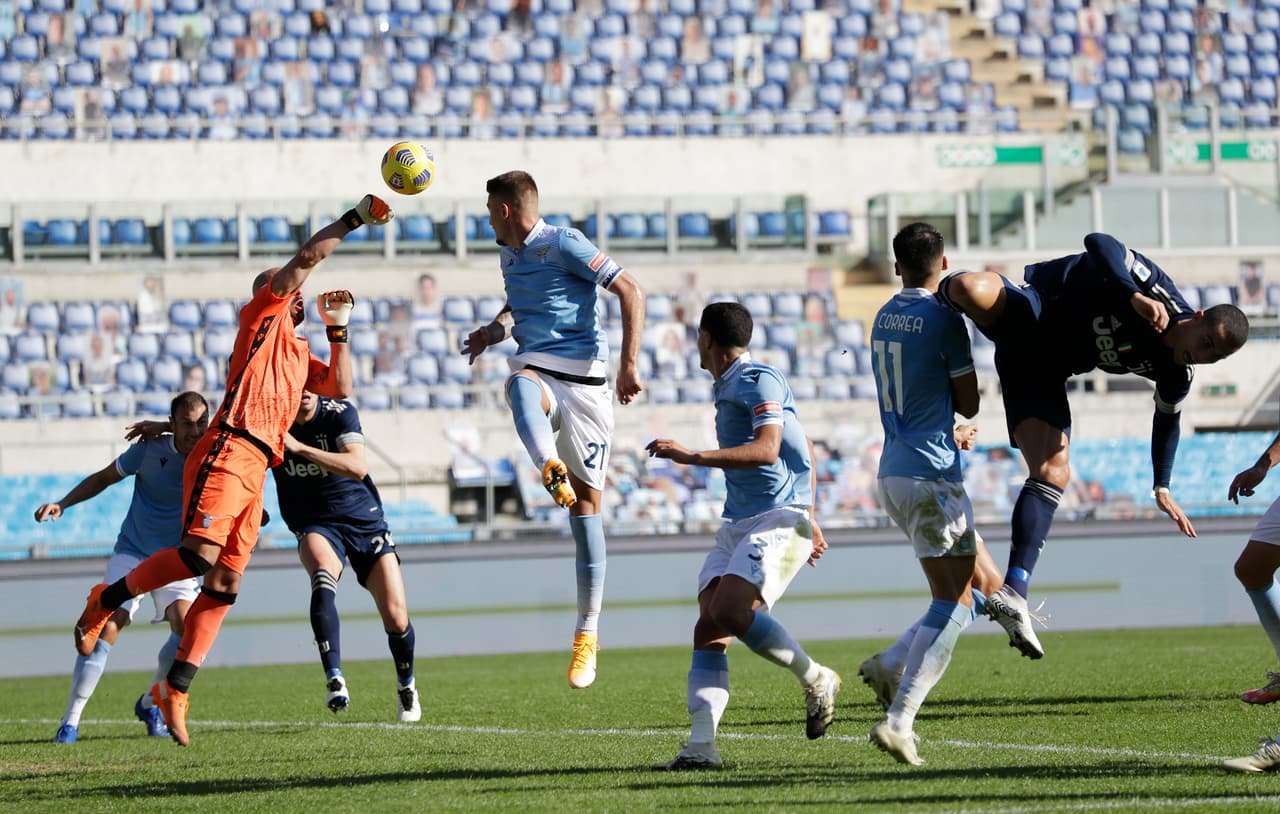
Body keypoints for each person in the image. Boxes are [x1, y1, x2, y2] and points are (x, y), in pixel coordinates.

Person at [72, 193, 393, 746]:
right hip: (229, 446)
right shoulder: (262, 318)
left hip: (257, 464)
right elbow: (308, 259)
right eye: (288, 287)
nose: (297, 294)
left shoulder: (296, 354)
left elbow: (341, 388)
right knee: (197, 556)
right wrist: (355, 219)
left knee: (222, 585)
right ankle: (105, 599)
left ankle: (175, 689)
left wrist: (339, 330)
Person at [936, 233, 1251, 657]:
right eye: (1207, 342)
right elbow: (1099, 241)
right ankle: (928, 296)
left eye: (1214, 357)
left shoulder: (1175, 374)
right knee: (969, 287)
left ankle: (1014, 592)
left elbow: (1168, 419)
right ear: (1195, 317)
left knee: (1053, 472)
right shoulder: (1155, 291)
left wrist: (1162, 485)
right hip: (1033, 311)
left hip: (1040, 368)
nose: (1203, 355)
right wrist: (1131, 295)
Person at [461, 170, 644, 690]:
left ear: (503, 209)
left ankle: (587, 633)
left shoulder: (564, 242)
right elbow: (521, 307)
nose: (485, 217)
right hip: (539, 366)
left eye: (487, 208)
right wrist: (495, 331)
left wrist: (629, 364)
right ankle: (548, 464)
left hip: (585, 383)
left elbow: (631, 289)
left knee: (588, 509)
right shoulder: (510, 253)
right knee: (518, 383)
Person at [645, 301, 840, 771]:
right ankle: (702, 747)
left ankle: (817, 678)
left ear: (707, 339)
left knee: (732, 611)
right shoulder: (731, 384)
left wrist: (693, 457)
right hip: (739, 523)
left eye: (697, 336)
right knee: (709, 624)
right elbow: (802, 443)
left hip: (775, 519)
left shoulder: (758, 379)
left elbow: (771, 449)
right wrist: (811, 512)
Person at [861, 222, 998, 766]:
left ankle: (891, 667)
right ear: (945, 265)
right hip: (931, 473)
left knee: (952, 597)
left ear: (898, 267)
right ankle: (899, 721)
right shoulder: (944, 319)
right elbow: (970, 401)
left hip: (892, 471)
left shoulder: (882, 314)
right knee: (959, 602)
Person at [40, 391, 210, 743]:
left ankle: (150, 702)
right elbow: (104, 478)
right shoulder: (149, 450)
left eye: (201, 423)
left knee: (186, 631)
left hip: (179, 558)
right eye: (186, 424)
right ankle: (70, 722)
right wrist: (62, 504)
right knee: (107, 628)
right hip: (133, 551)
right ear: (174, 422)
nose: (195, 432)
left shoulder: (213, 452)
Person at [272, 391, 421, 722]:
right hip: (315, 523)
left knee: (396, 617)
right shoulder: (271, 418)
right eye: (301, 381)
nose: (307, 390)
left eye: (314, 381)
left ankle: (406, 683)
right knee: (322, 572)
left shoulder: (339, 413)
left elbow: (357, 466)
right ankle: (334, 677)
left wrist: (299, 449)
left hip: (363, 521)